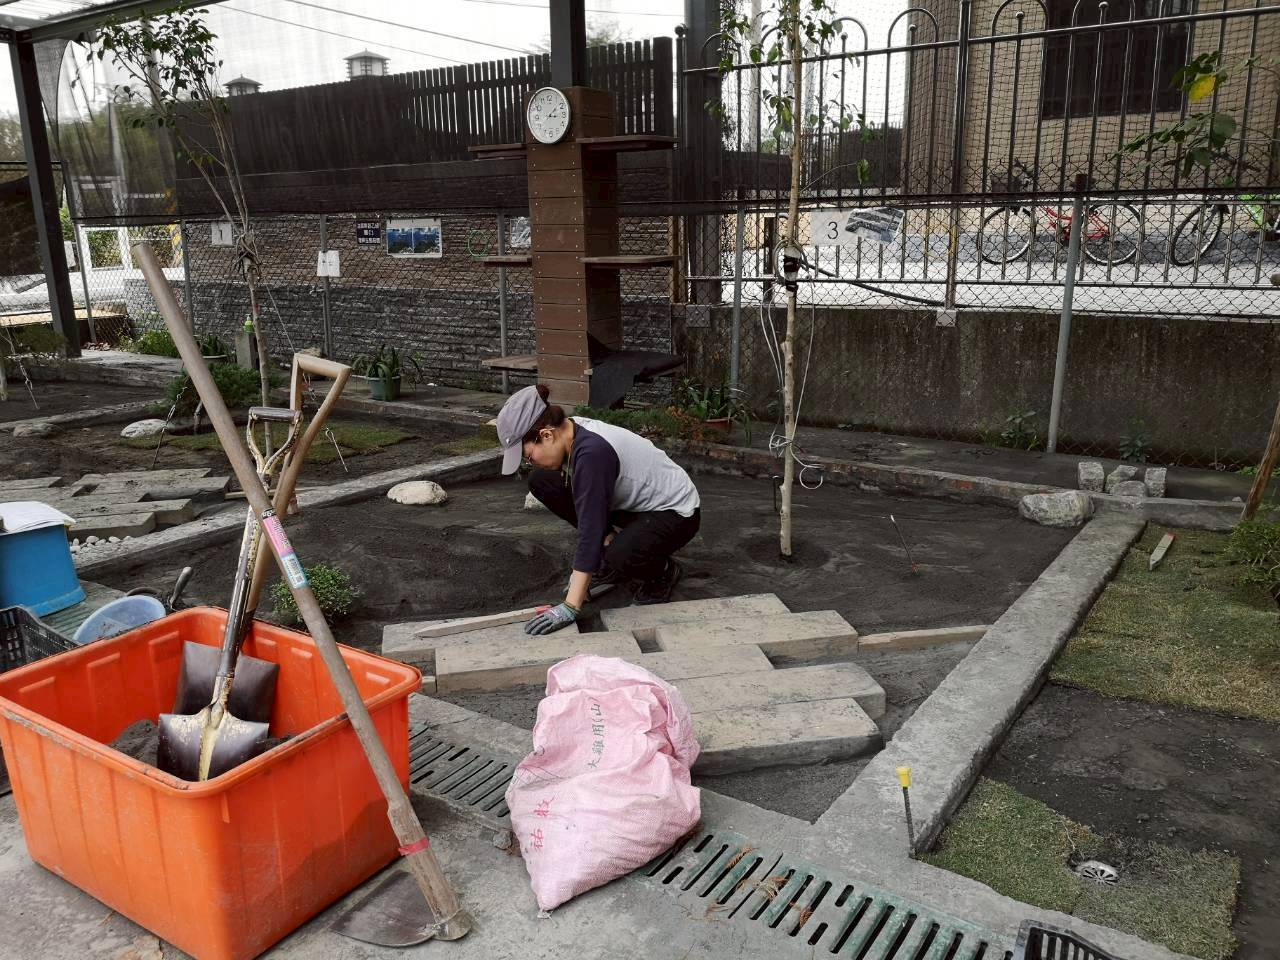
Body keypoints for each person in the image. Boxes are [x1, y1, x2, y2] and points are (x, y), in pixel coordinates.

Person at [496, 384, 701, 635]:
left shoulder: (592, 452)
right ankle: (612, 546)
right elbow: (588, 513)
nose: (532, 462)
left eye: (529, 456)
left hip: (676, 513)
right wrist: (602, 537)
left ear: (547, 435)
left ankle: (663, 573)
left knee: (620, 554)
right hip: (633, 504)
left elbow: (589, 530)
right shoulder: (569, 430)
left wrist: (570, 605)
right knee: (542, 480)